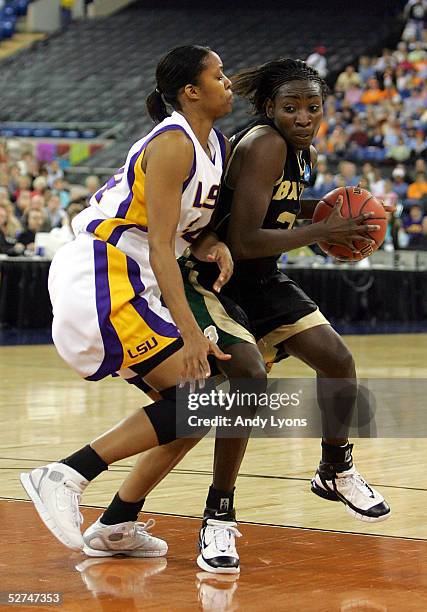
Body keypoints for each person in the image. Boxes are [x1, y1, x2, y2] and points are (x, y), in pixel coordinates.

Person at [102, 58, 390, 574]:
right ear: (268, 109)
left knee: (337, 361)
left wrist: (323, 211)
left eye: (313, 107)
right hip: (218, 279)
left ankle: (334, 468)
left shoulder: (299, 151)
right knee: (238, 391)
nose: (303, 117)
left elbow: (266, 211)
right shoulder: (266, 144)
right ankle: (217, 514)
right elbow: (243, 239)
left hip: (262, 280)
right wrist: (324, 232)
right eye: (291, 107)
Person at [20, 46, 267, 570]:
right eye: (218, 75)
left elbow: (178, 236)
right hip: (105, 272)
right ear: (190, 91)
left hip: (138, 278)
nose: (229, 83)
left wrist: (207, 244)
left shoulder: (214, 145)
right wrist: (192, 330)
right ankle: (67, 472)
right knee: (207, 397)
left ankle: (116, 524)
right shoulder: (174, 142)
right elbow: (157, 245)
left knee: (194, 411)